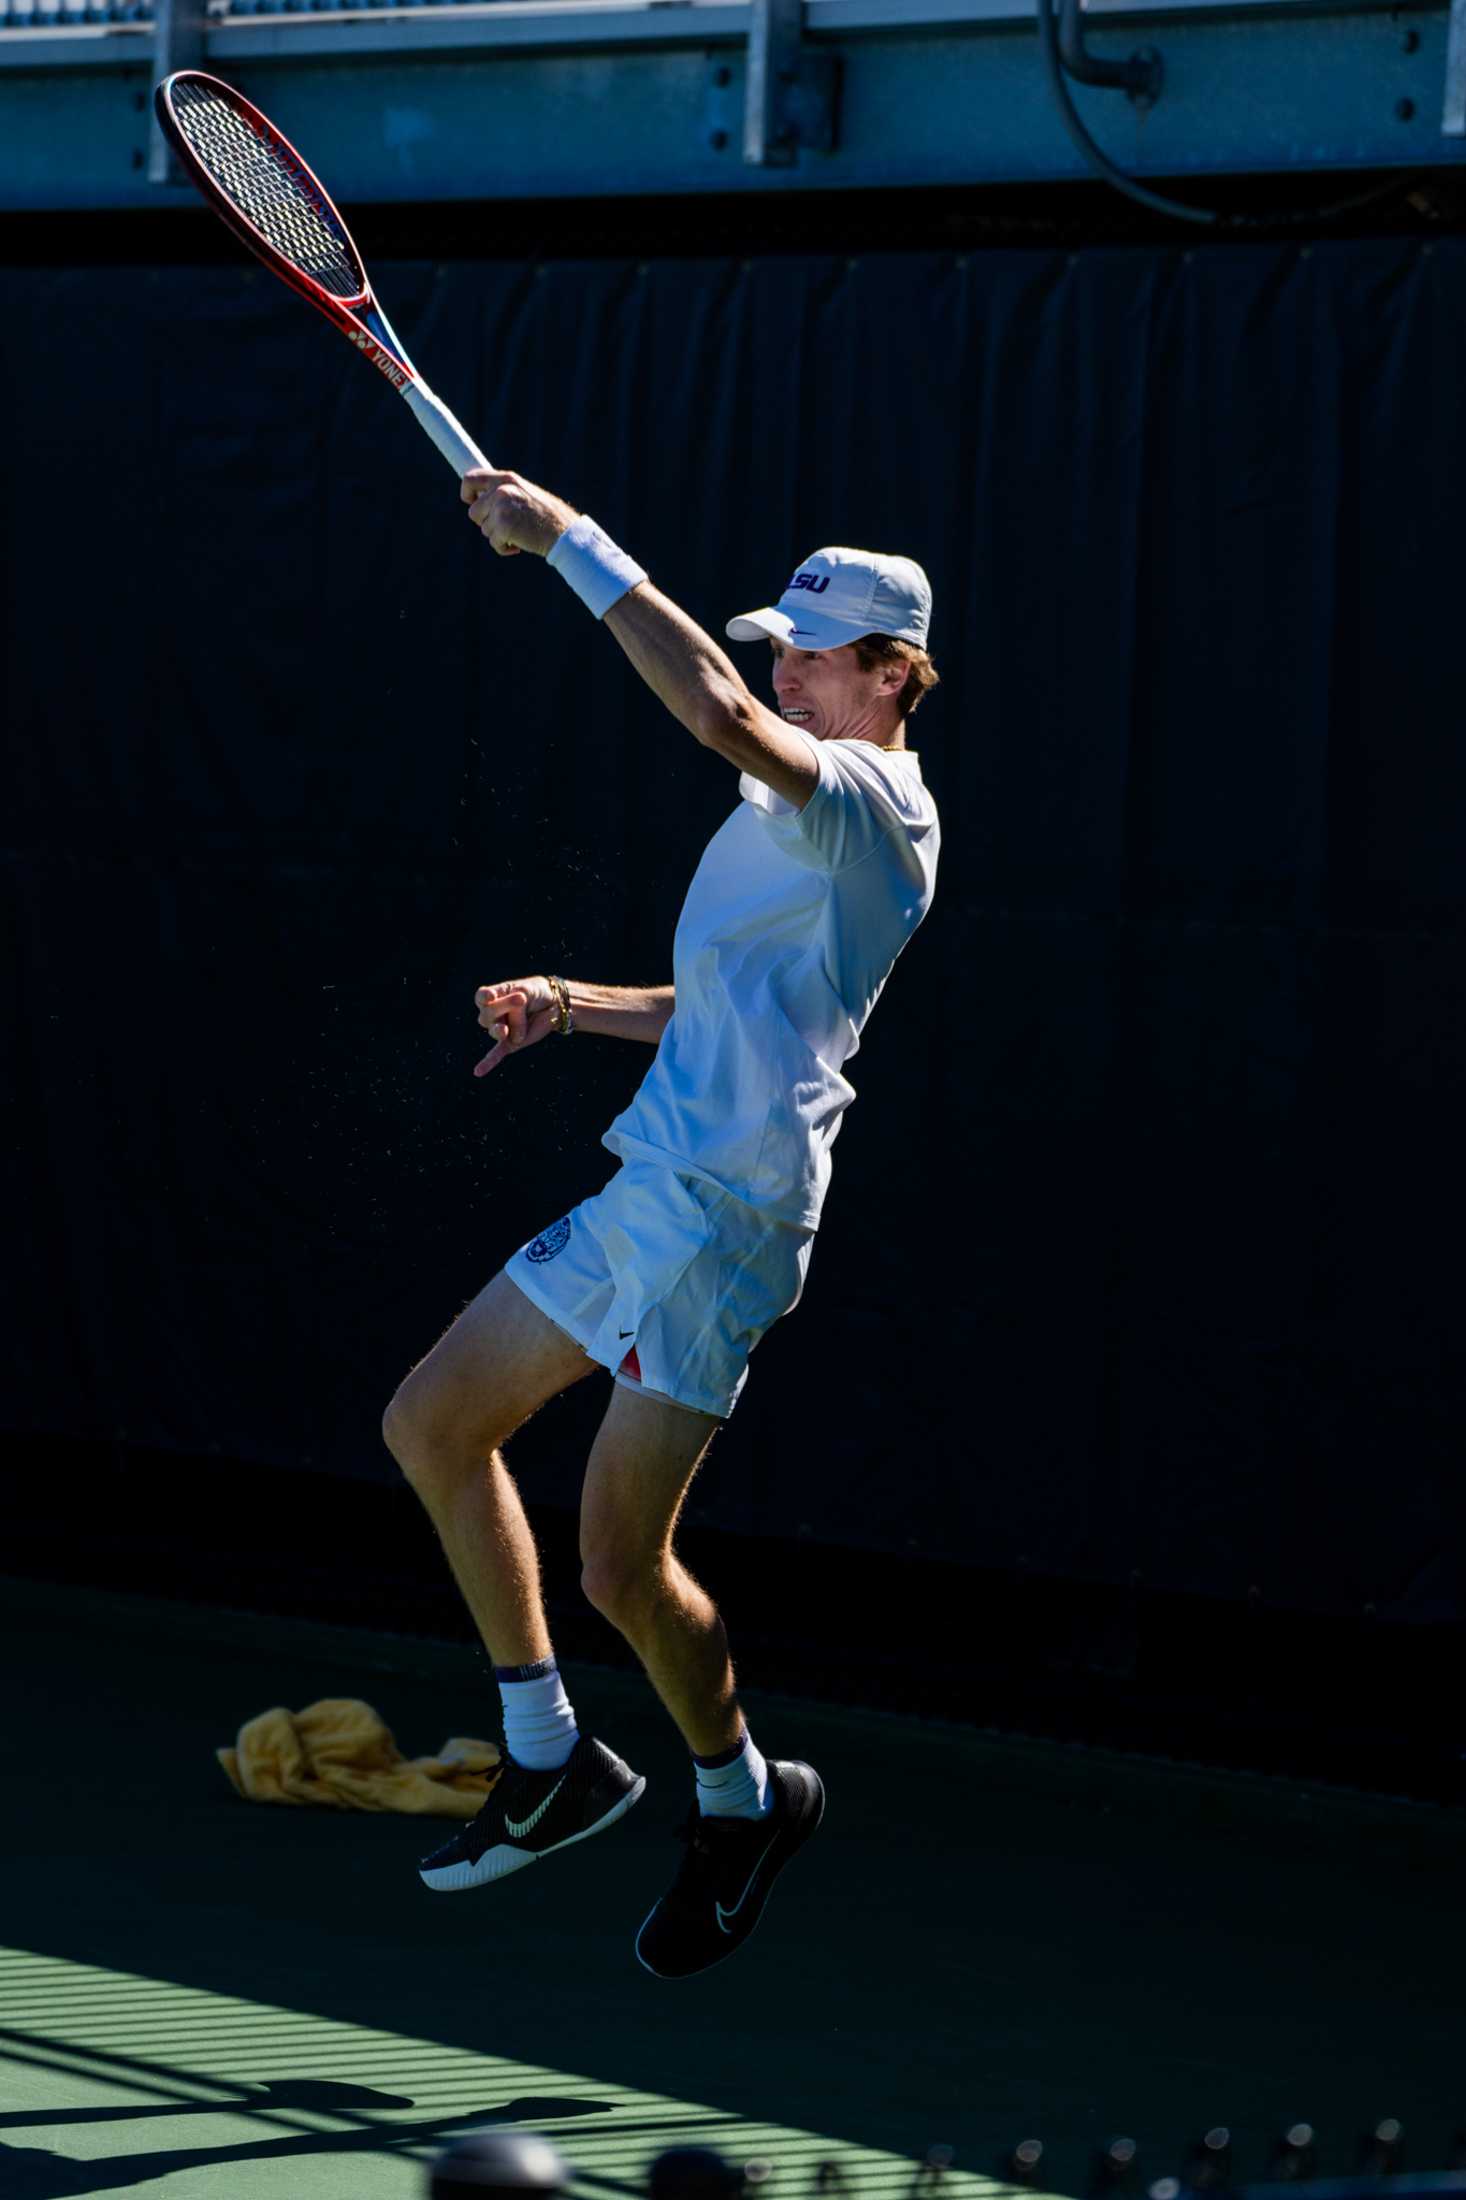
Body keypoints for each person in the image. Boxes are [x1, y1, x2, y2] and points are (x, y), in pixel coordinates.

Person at [382, 468, 941, 1979]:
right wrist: (579, 1005)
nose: (785, 669)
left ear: (895, 675)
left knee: (620, 1568)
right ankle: (551, 1753)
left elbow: (708, 712)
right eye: (783, 643)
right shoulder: (792, 822)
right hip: (657, 1187)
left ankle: (739, 1800)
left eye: (818, 654)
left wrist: (569, 542)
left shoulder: (876, 803)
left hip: (729, 1218)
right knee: (434, 1424)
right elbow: (738, 1011)